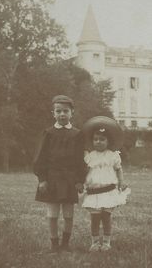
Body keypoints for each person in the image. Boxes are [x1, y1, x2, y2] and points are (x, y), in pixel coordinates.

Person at [33, 95, 85, 253]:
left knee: (69, 214)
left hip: (70, 180)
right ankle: (54, 244)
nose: (62, 114)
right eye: (58, 111)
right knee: (52, 213)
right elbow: (40, 158)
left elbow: (80, 159)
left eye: (66, 111)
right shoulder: (48, 133)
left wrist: (80, 180)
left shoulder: (77, 134)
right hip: (52, 179)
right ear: (53, 113)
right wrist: (42, 180)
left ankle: (65, 244)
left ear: (72, 113)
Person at [81, 116, 130, 252]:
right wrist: (80, 183)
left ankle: (107, 242)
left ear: (108, 141)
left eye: (102, 139)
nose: (99, 142)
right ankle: (95, 242)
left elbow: (119, 169)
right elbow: (84, 172)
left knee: (106, 217)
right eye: (96, 139)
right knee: (95, 218)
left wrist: (121, 181)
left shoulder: (113, 155)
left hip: (108, 191)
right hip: (94, 191)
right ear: (92, 141)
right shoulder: (89, 156)